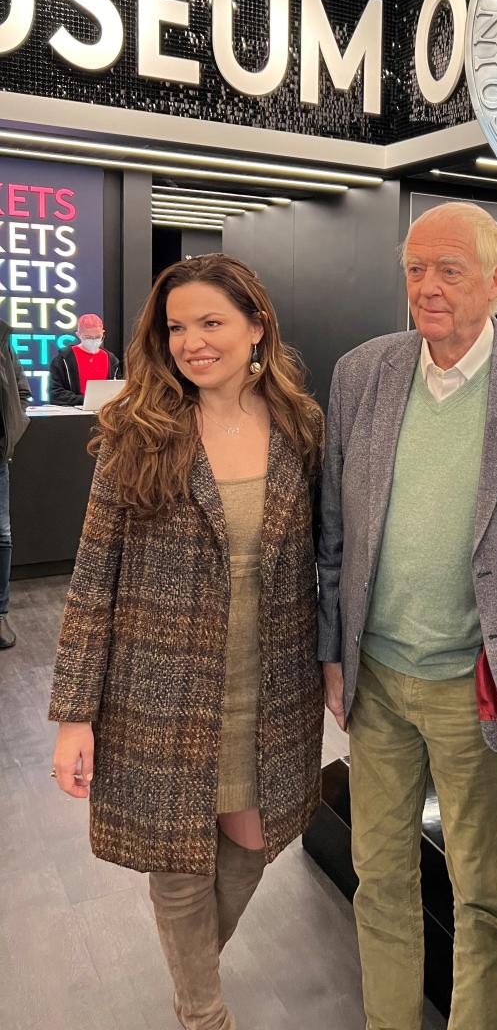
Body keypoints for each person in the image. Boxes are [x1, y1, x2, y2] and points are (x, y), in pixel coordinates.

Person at [48, 255, 324, 1030]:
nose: (193, 342)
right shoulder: (138, 431)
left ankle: (190, 984)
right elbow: (93, 575)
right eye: (177, 327)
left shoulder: (301, 427)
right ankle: (202, 1014)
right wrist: (76, 713)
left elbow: (326, 558)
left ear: (256, 327)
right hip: (157, 686)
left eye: (212, 322)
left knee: (252, 839)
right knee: (175, 857)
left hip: (269, 685)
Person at [318, 201, 497, 1030]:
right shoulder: (363, 373)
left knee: (483, 889)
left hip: (479, 682)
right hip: (377, 678)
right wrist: (330, 653)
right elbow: (332, 531)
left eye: (449, 270)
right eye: (416, 269)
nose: (427, 287)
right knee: (379, 877)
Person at [0, 321, 30, 650]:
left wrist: (11, 433)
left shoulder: (3, 340)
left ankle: (0, 614)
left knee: (1, 534)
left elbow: (21, 392)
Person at [48, 313, 122, 406]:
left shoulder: (111, 359)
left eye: (98, 337)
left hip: (104, 412)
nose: (94, 341)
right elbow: (55, 394)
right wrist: (85, 401)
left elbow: (118, 390)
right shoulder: (64, 359)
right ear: (79, 335)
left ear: (103, 333)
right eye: (88, 337)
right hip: (73, 414)